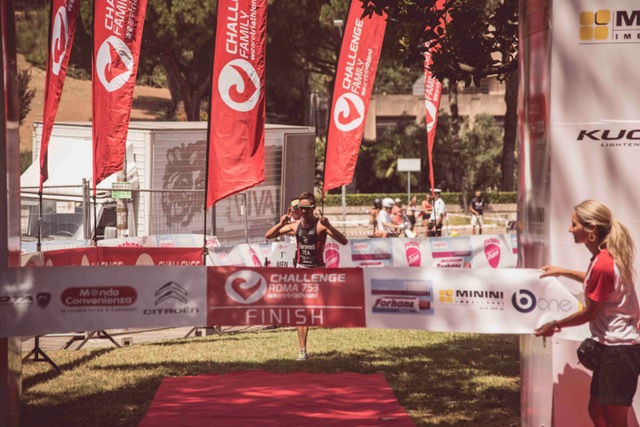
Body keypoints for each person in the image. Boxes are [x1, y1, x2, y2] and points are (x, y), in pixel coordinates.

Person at [534, 200, 640, 427]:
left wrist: (555, 324)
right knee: (597, 411)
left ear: (591, 230)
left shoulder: (603, 262)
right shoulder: (602, 259)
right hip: (611, 347)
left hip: (619, 350)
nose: (570, 229)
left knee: (615, 419)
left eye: (574, 224)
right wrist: (562, 271)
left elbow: (589, 313)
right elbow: (595, 281)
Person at [265, 192, 348, 361]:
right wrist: (281, 223)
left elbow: (344, 241)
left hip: (318, 272)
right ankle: (302, 350)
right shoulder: (295, 226)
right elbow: (269, 235)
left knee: (320, 310)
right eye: (301, 208)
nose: (304, 212)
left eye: (307, 209)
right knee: (302, 311)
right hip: (301, 271)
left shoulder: (321, 226)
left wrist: (330, 226)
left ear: (314, 208)